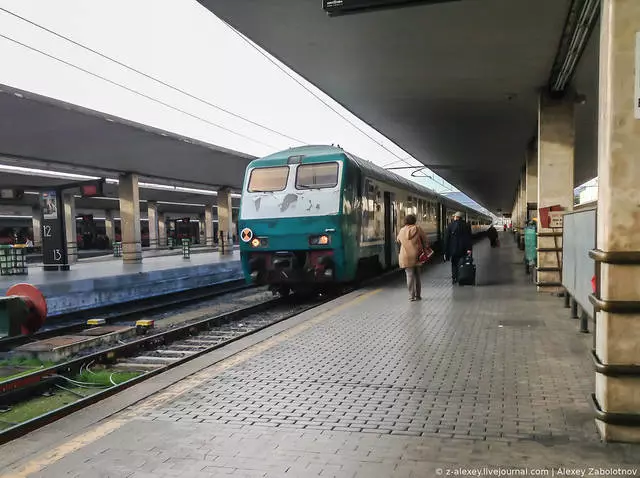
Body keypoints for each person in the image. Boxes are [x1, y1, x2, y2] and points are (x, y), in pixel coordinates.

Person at [397, 214, 429, 301]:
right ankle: (418, 296)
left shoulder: (402, 230)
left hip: (406, 255)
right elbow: (425, 239)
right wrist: (425, 248)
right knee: (417, 276)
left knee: (409, 276)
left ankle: (411, 296)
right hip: (417, 255)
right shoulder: (417, 228)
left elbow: (398, 240)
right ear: (414, 221)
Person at [444, 211, 473, 284]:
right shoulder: (466, 225)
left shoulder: (450, 225)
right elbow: (469, 238)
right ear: (461, 217)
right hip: (463, 249)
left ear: (455, 217)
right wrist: (469, 249)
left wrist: (446, 250)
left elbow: (447, 238)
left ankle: (454, 278)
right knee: (462, 263)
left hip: (453, 249)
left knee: (454, 264)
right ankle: (461, 277)